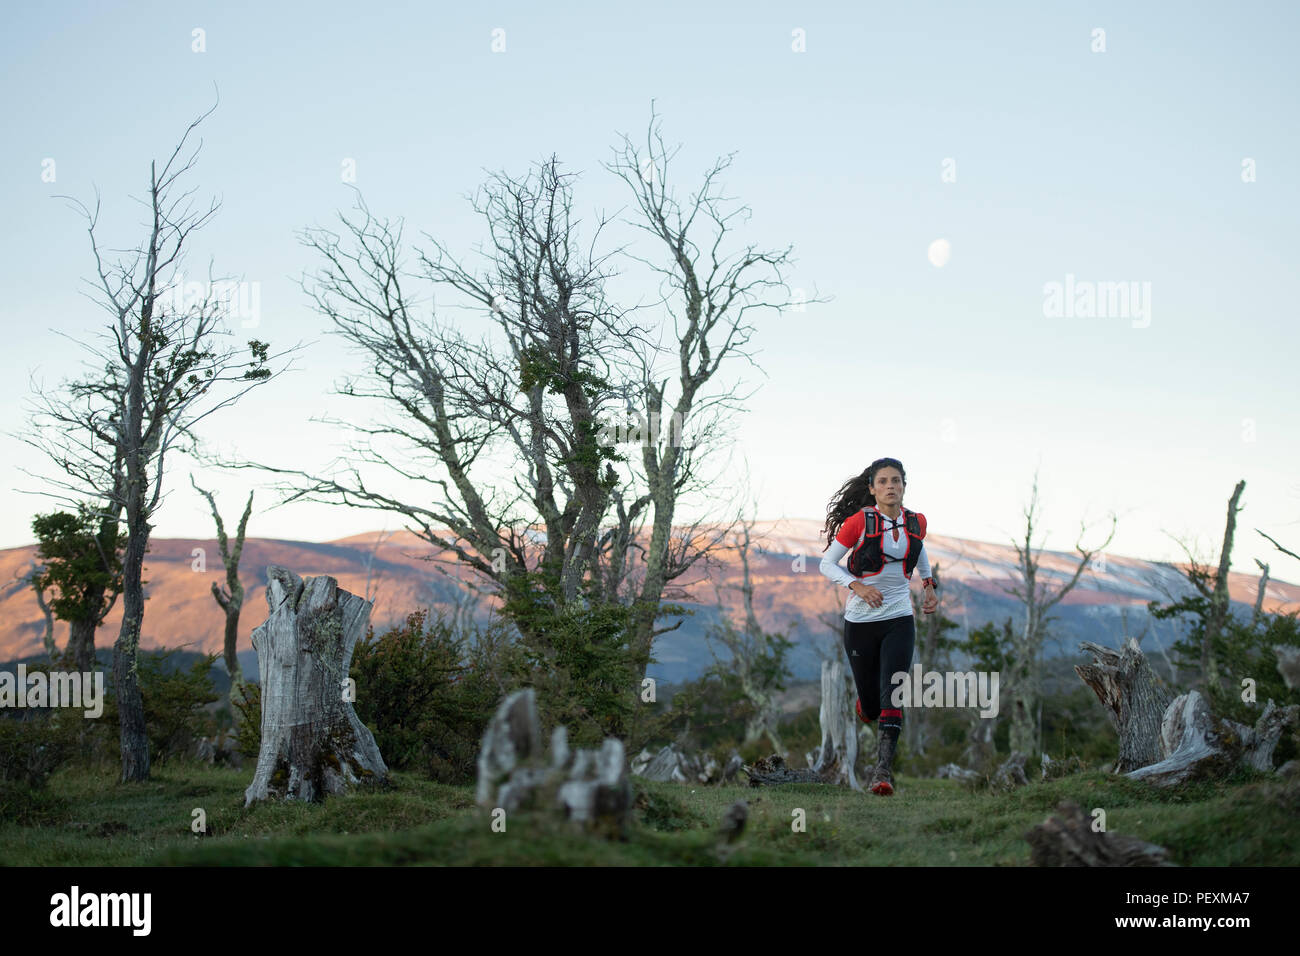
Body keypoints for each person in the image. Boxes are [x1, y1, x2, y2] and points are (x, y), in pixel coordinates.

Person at [819, 457, 937, 795]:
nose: (890, 486)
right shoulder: (859, 522)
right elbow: (827, 564)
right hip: (860, 622)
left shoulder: (917, 522)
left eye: (896, 481)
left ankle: (882, 773)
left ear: (903, 486)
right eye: (883, 481)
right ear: (872, 489)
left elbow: (920, 551)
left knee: (893, 694)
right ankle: (865, 705)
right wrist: (857, 586)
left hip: (900, 617)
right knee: (871, 705)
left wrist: (928, 585)